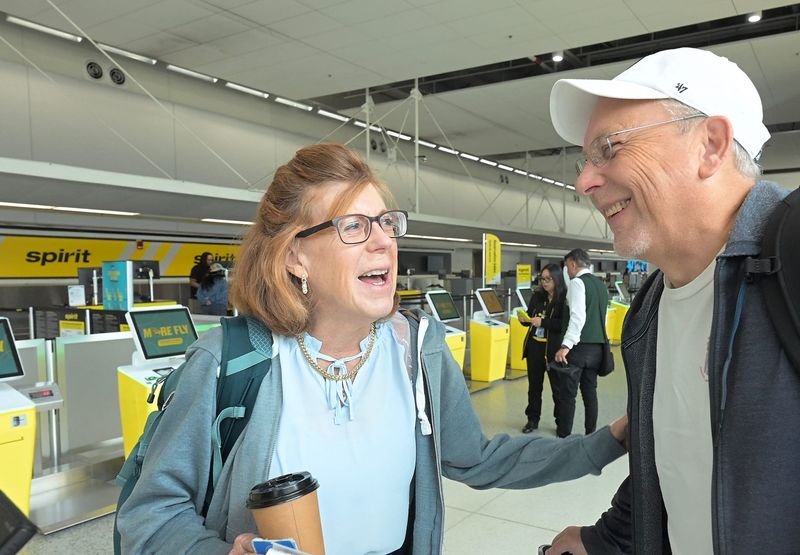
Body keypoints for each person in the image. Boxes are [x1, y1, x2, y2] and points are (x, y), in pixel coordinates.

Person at [116, 143, 628, 555]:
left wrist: (608, 441)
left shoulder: (418, 352)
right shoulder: (231, 361)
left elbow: (477, 460)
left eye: (386, 222)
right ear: (295, 255)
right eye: (354, 226)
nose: (383, 241)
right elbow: (152, 515)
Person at [546, 47, 798, 554]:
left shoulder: (790, 265)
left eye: (610, 148)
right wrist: (607, 540)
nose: (583, 181)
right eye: (585, 160)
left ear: (710, 146)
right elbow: (668, 461)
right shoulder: (651, 309)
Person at [554, 248, 608, 437]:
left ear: (573, 264)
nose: (567, 271)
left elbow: (577, 317)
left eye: (568, 266)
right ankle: (591, 434)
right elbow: (602, 318)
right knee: (590, 392)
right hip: (598, 349)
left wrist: (565, 346)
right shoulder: (601, 285)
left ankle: (564, 436)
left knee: (568, 395)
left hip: (579, 349)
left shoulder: (577, 283)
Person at [518, 263, 567, 434]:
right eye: (542, 279)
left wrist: (543, 322)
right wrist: (525, 320)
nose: (544, 282)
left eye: (548, 279)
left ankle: (561, 421)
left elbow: (562, 324)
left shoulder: (563, 299)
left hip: (553, 349)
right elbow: (531, 315)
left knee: (558, 389)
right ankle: (532, 419)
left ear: (557, 279)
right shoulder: (537, 296)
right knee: (534, 387)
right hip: (535, 348)